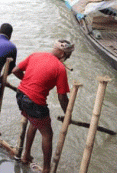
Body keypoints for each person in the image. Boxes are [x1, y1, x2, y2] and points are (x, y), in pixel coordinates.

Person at [12, 40, 74, 173]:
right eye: (68, 56)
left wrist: (27, 82)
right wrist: (68, 114)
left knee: (34, 122)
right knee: (47, 134)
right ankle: (46, 169)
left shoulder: (36, 55)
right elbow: (62, 97)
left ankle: (26, 155)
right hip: (34, 102)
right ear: (63, 54)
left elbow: (15, 70)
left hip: (20, 95)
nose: (67, 58)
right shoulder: (60, 68)